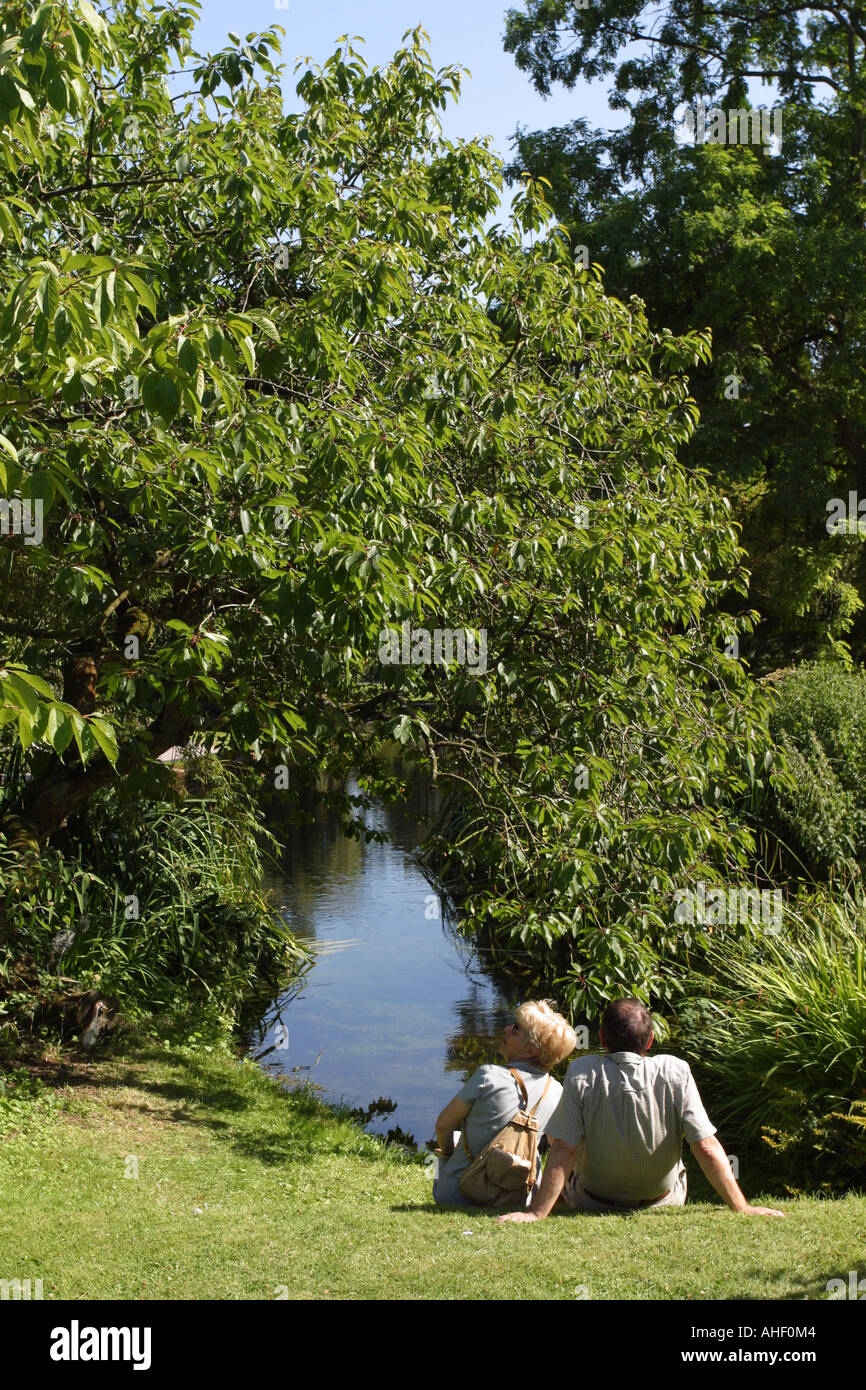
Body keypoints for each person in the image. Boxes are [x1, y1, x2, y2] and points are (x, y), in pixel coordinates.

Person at [498, 997, 784, 1223]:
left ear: (601, 1038)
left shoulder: (581, 1071)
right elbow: (705, 1146)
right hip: (662, 1201)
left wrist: (536, 1213)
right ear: (650, 1040)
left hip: (592, 1202)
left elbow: (565, 1150)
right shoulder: (676, 1070)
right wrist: (741, 1206)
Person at [432, 999, 577, 1208]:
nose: (507, 1029)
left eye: (516, 1029)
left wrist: (446, 1155)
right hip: (518, 1198)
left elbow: (442, 1125)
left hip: (456, 1195)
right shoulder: (557, 1091)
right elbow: (559, 1147)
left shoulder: (488, 1076)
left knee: (454, 1137)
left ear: (531, 1050)